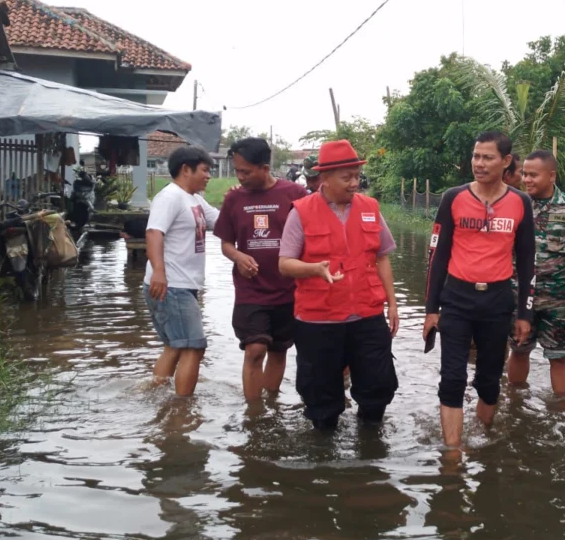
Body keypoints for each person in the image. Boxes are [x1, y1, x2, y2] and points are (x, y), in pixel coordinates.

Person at [424, 130, 536, 450]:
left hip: (498, 301)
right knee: (453, 378)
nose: (479, 163)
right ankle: (453, 454)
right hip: (457, 299)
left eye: (488, 157)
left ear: (506, 161)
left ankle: (483, 439)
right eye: (476, 156)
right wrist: (431, 309)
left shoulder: (520, 203)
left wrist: (524, 313)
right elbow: (437, 256)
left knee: (488, 381)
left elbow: (527, 261)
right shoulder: (453, 198)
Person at [279, 140, 400, 430]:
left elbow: (382, 257)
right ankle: (324, 459)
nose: (355, 183)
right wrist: (313, 269)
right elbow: (284, 264)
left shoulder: (370, 208)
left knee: (378, 388)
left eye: (357, 176)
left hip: (367, 316)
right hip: (318, 320)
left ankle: (371, 451)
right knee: (321, 402)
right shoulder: (301, 212)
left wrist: (393, 304)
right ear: (325, 178)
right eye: (347, 177)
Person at [214, 137, 308, 405]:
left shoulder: (294, 195)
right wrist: (238, 256)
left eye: (246, 171)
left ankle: (271, 403)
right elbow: (225, 243)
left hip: (287, 289)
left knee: (279, 350)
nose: (240, 177)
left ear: (265, 168)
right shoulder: (234, 199)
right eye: (237, 172)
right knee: (255, 349)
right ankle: (254, 413)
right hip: (251, 290)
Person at [506, 150, 565, 397]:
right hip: (519, 297)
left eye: (534, 174)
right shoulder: (515, 205)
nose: (527, 179)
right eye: (524, 174)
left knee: (560, 357)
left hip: (558, 301)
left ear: (551, 176)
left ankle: (563, 413)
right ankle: (515, 406)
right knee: (519, 349)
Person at [144, 145, 219, 397]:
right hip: (171, 284)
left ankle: (154, 394)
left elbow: (219, 221)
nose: (208, 176)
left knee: (175, 346)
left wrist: (241, 201)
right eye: (205, 170)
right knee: (193, 347)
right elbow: (154, 232)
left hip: (181, 284)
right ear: (186, 169)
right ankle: (182, 409)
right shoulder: (170, 196)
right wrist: (159, 271)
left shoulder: (194, 199)